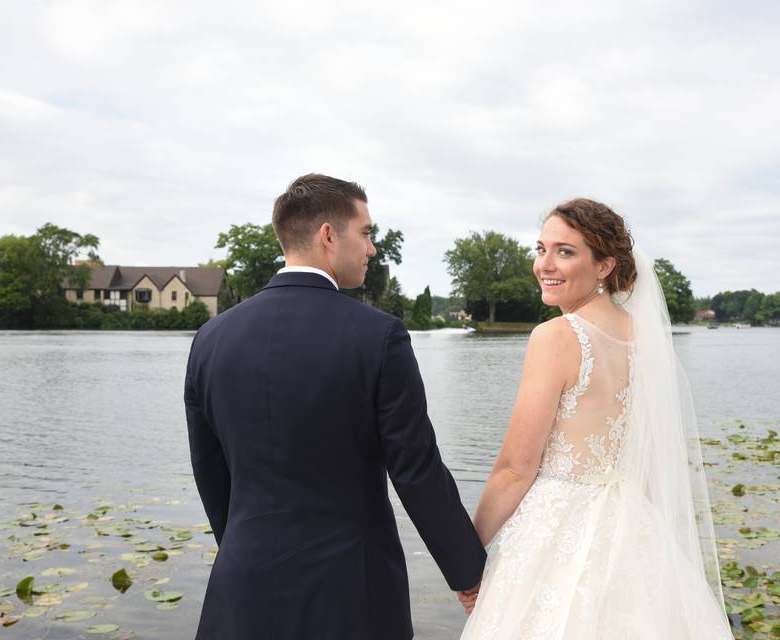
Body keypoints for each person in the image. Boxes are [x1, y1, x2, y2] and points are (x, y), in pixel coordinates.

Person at [184, 173, 485, 640]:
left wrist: (246, 549)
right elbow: (417, 471)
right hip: (352, 595)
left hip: (241, 589)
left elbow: (210, 471)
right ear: (329, 235)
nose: (372, 249)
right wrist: (469, 573)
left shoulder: (210, 338)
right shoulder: (379, 336)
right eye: (366, 233)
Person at [458, 199, 733, 638]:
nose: (544, 264)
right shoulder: (647, 338)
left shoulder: (556, 335)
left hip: (555, 532)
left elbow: (515, 468)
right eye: (541, 248)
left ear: (604, 265)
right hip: (633, 530)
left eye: (565, 252)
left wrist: (466, 555)